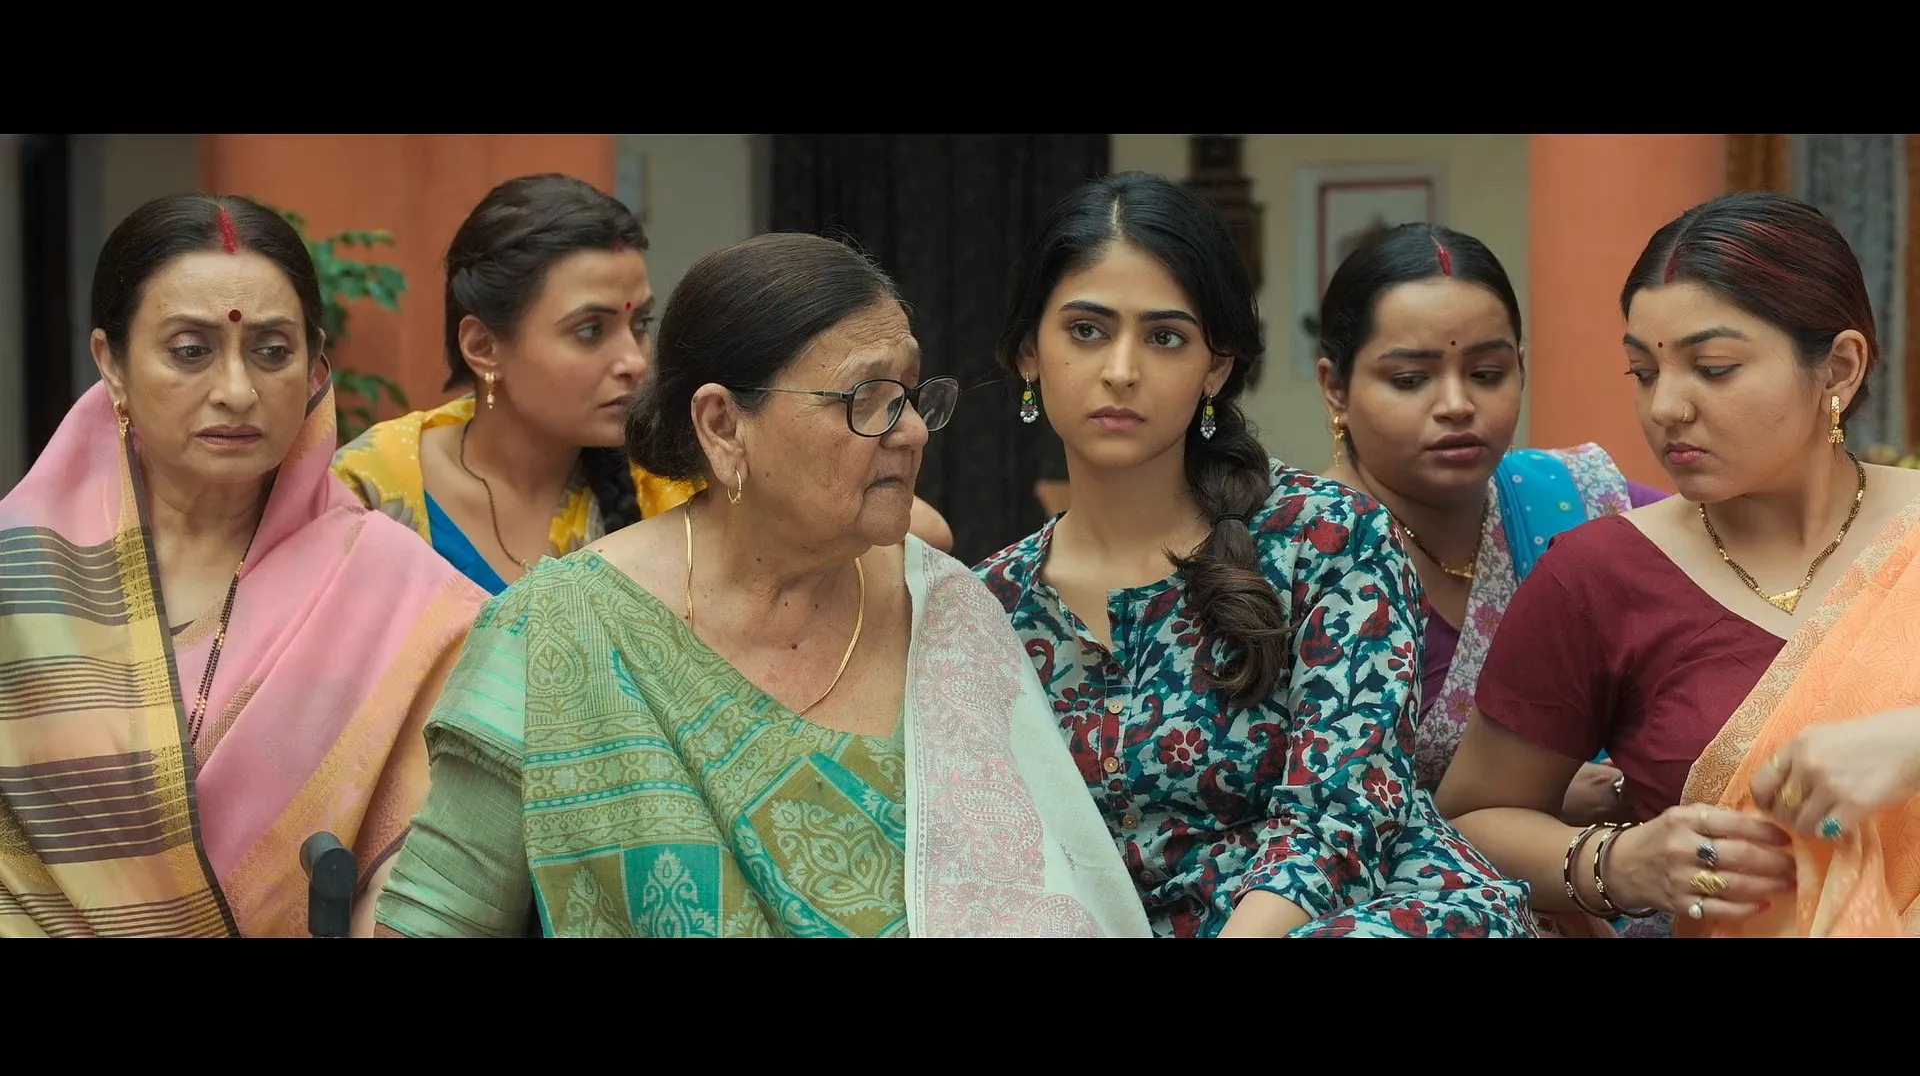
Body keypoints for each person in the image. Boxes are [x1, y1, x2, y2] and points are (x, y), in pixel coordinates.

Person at [373, 231, 1152, 937]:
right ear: (722, 424)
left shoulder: (945, 613)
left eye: (912, 395)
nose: (913, 429)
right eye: (868, 400)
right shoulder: (555, 633)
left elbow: (1051, 903)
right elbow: (434, 920)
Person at [974, 171, 1536, 938]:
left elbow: (1342, 814)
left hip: (1366, 917)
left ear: (1216, 365)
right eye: (1087, 331)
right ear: (1027, 353)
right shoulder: (989, 608)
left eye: (1165, 337)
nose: (1121, 370)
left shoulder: (1330, 538)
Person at [0, 193, 486, 937]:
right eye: (190, 351)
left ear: (315, 363)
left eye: (272, 351)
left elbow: (426, 872)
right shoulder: (17, 579)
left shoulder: (400, 597)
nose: (236, 390)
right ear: (111, 363)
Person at [1436, 191, 1920, 937]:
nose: (1666, 407)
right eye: (1643, 372)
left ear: (1840, 368)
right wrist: (1618, 862)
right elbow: (1469, 820)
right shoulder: (1601, 576)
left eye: (1714, 368)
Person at [333, 175, 951, 593]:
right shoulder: (367, 488)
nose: (633, 360)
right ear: (483, 346)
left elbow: (922, 530)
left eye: (640, 325)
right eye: (589, 330)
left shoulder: (660, 473)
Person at [1313, 221, 1667, 819]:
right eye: (1410, 380)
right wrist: (1520, 798)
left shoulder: (1580, 499)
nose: (1457, 405)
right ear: (1336, 388)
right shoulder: (1295, 552)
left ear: (1520, 369)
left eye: (1487, 375)